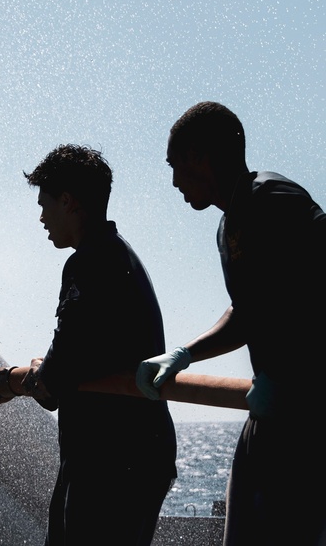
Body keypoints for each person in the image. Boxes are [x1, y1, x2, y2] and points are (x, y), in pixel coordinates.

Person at [136, 101, 326, 545]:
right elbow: (248, 310)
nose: (174, 181)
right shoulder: (230, 223)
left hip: (309, 421)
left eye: (175, 164)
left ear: (200, 156)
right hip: (271, 413)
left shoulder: (274, 199)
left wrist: (306, 383)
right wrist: (184, 354)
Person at [0, 144, 177, 546]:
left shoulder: (88, 262)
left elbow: (51, 386)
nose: (42, 217)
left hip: (111, 466)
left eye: (45, 204)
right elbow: (79, 354)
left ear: (68, 202)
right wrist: (50, 367)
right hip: (137, 456)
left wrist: (23, 378)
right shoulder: (119, 256)